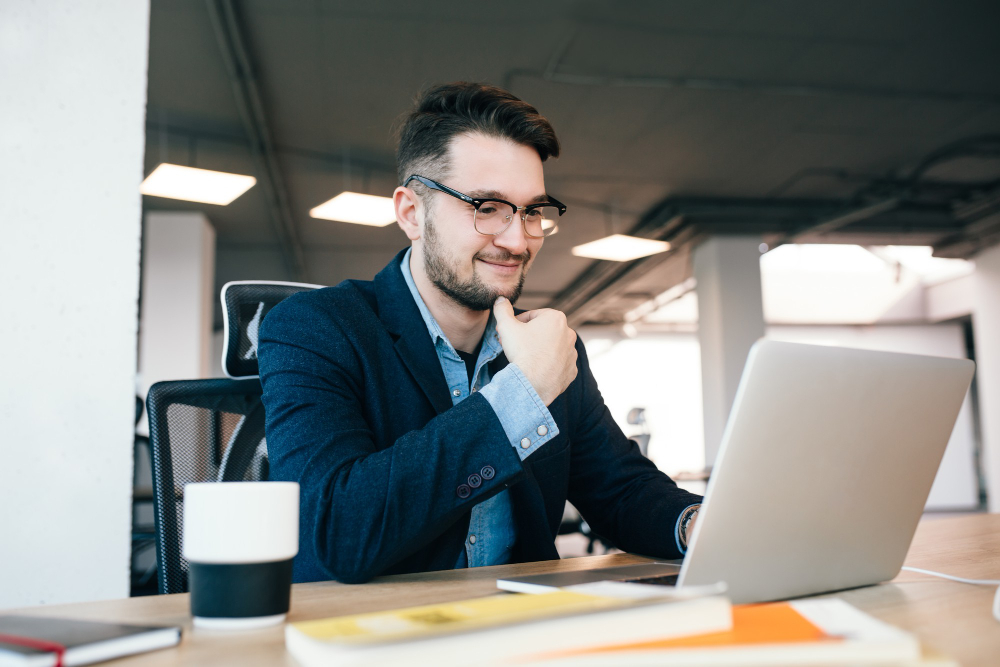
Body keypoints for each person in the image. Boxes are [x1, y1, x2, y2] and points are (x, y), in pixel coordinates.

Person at [258, 82, 702, 584]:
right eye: (487, 207)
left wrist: (697, 525)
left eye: (532, 211)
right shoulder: (314, 327)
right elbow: (338, 530)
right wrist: (523, 395)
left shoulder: (549, 346)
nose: (517, 239)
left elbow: (620, 490)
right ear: (412, 213)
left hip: (521, 629)